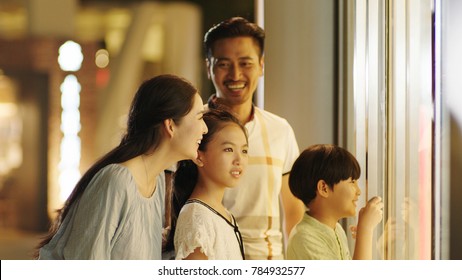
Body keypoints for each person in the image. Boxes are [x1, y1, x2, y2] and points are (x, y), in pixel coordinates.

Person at [35, 74, 208, 260]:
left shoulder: (157, 179)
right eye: (199, 118)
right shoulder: (118, 181)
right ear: (170, 126)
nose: (205, 129)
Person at [203, 17, 305, 260]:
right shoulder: (193, 129)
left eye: (245, 63)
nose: (235, 74)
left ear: (261, 66)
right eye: (224, 64)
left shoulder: (280, 130)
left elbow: (294, 212)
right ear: (209, 67)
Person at [168, 109, 248, 260]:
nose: (239, 160)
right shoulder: (197, 217)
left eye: (244, 150)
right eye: (229, 149)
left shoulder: (223, 214)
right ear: (199, 156)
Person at [286, 144, 384, 260]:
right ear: (324, 188)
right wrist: (365, 230)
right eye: (352, 182)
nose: (358, 191)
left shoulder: (337, 229)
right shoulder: (305, 238)